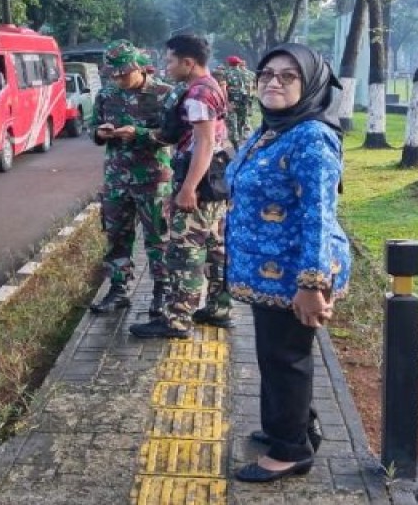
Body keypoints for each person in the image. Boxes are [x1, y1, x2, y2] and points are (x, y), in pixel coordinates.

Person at [223, 43, 350, 483]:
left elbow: (319, 215)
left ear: (311, 84)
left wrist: (312, 285)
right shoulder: (274, 129)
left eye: (288, 76)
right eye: (267, 73)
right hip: (270, 271)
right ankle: (293, 426)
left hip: (295, 273)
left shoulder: (311, 138)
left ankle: (291, 450)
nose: (273, 82)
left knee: (284, 358)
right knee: (280, 355)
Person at [130, 33, 232, 339]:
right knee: (216, 248)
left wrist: (188, 188)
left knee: (184, 252)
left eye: (171, 60)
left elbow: (203, 143)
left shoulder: (198, 95)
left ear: (189, 62)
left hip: (199, 183)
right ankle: (218, 308)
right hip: (215, 182)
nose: (167, 65)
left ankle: (175, 321)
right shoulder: (210, 85)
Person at [89, 41, 177, 315]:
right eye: (113, 74)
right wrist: (101, 133)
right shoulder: (106, 94)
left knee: (158, 237)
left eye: (123, 74)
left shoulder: (164, 94)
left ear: (139, 67)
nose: (118, 79)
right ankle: (118, 290)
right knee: (117, 235)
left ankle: (162, 292)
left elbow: (173, 134)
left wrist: (139, 133)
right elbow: (93, 128)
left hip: (153, 178)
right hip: (117, 178)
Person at [224, 55, 256, 147]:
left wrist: (226, 103)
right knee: (242, 122)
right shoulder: (248, 73)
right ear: (239, 63)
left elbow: (223, 89)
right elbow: (252, 87)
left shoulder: (226, 74)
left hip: (232, 101)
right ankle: (242, 141)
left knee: (232, 123)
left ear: (229, 63)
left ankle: (236, 144)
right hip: (244, 100)